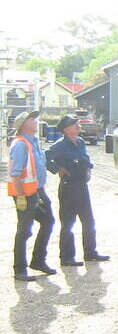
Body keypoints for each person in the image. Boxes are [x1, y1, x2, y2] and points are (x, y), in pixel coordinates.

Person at [45, 115, 109, 265]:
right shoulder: (60, 145)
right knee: (68, 222)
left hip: (81, 185)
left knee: (88, 220)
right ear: (66, 129)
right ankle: (67, 257)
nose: (78, 126)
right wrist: (58, 169)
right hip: (68, 186)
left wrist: (88, 169)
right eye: (75, 124)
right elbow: (45, 157)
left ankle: (90, 252)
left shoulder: (80, 142)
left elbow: (85, 157)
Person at [8, 110, 55, 281]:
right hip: (26, 193)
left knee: (48, 221)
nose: (35, 121)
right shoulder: (21, 144)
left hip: (37, 190)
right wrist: (20, 196)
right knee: (24, 230)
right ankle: (20, 269)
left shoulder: (33, 142)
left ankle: (38, 260)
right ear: (23, 125)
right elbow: (15, 173)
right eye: (32, 119)